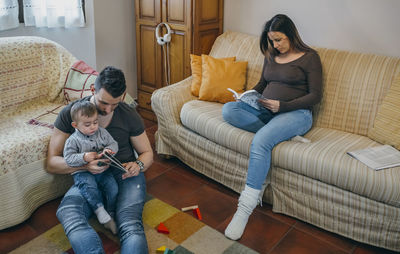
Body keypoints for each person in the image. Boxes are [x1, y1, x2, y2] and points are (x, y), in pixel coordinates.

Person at [222, 14, 322, 240]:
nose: (275, 45)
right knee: (229, 110)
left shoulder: (309, 58)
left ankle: (244, 208)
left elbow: (315, 96)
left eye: (279, 40)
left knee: (260, 142)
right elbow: (263, 84)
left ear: (291, 34)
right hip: (266, 112)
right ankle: (279, 134)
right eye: (272, 41)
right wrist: (248, 96)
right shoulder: (271, 55)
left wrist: (283, 105)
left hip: (297, 113)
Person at [47, 66, 153, 254]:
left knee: (129, 223)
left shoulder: (129, 116)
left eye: (115, 103)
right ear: (93, 90)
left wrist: (138, 165)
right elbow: (52, 162)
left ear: (123, 95)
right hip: (89, 177)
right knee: (68, 212)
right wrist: (85, 165)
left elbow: (147, 153)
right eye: (104, 102)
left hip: (124, 174)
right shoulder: (71, 113)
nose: (108, 109)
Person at [63, 101, 119, 235]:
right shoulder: (73, 140)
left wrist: (109, 150)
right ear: (75, 125)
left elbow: (113, 143)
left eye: (95, 122)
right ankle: (101, 213)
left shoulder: (102, 132)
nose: (93, 127)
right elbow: (68, 158)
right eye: (87, 124)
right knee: (89, 188)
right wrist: (83, 157)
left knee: (113, 188)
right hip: (83, 173)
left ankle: (111, 212)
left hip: (104, 171)